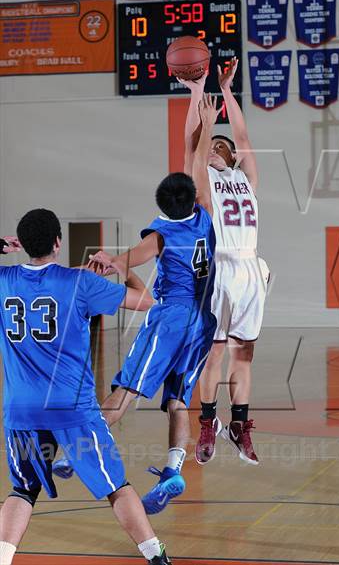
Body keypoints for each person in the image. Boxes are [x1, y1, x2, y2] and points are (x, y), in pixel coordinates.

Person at [0, 209, 172, 565]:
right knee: (116, 486)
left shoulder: (4, 279)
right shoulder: (79, 283)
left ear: (22, 244)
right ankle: (156, 557)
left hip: (21, 409)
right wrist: (122, 268)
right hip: (73, 408)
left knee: (22, 490)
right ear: (58, 243)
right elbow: (147, 304)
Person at [54, 170, 217, 515]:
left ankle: (79, 449)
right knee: (177, 401)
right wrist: (203, 123)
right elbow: (199, 167)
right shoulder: (205, 216)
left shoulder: (162, 234)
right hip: (203, 322)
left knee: (127, 389)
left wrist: (108, 262)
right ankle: (173, 470)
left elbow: (130, 257)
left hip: (170, 318)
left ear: (162, 204)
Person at [182, 60, 270, 466]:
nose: (217, 147)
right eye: (212, 145)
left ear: (231, 155)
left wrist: (228, 90)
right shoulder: (204, 181)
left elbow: (243, 133)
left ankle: (239, 423)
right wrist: (199, 98)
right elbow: (192, 145)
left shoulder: (245, 176)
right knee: (214, 354)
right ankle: (206, 421)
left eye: (223, 145)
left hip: (251, 268)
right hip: (220, 268)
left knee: (244, 354)